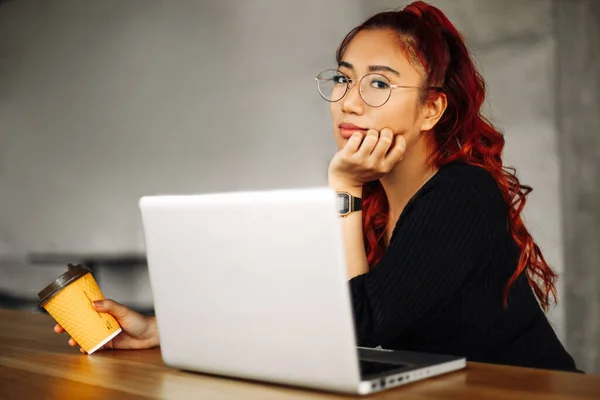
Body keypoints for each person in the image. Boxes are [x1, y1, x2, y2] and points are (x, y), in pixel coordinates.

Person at [54, 1, 580, 372]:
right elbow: (308, 314)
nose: (348, 101)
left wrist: (343, 190)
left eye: (378, 82)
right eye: (344, 78)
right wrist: (158, 330)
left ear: (432, 108)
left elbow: (361, 332)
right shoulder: (371, 206)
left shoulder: (462, 194)